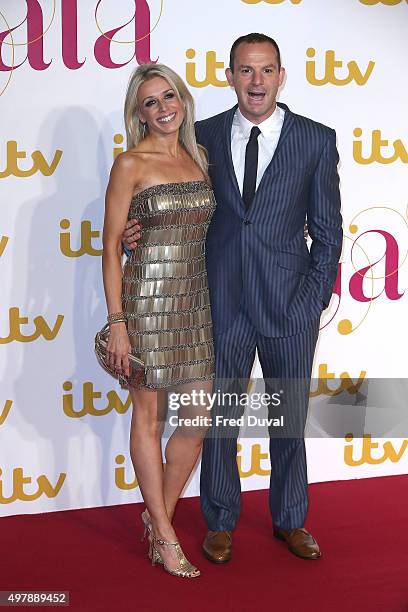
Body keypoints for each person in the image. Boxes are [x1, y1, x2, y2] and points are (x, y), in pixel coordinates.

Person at [123, 33, 343, 562]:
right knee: (219, 420)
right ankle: (219, 520)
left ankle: (291, 520)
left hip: (289, 304)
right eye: (245, 70)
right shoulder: (205, 137)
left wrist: (311, 301)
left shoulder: (315, 139)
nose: (256, 81)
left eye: (266, 70)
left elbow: (328, 232)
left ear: (282, 76)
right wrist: (137, 234)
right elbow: (174, 205)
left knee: (286, 418)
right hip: (218, 301)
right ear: (229, 75)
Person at [101, 63, 216, 578]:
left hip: (194, 305)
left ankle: (157, 518)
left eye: (169, 95)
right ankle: (167, 540)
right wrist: (118, 321)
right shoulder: (129, 164)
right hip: (144, 305)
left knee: (195, 422)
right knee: (147, 419)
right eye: (150, 101)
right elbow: (109, 249)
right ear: (138, 112)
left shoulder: (201, 157)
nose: (163, 107)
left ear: (182, 99)